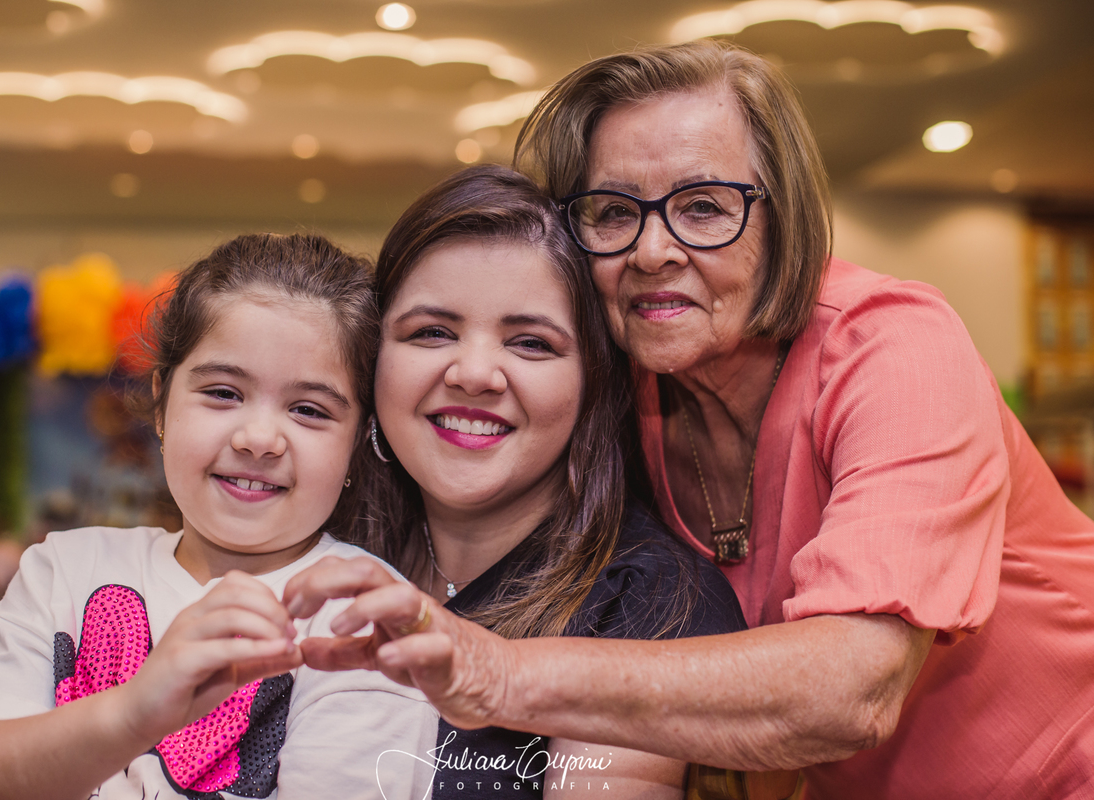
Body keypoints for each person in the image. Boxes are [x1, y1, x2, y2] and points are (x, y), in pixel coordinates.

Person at [283, 40, 1094, 799]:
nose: (651, 251)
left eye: (704, 207)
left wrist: (493, 672)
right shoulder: (631, 382)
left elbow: (856, 689)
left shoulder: (896, 348)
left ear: (783, 219)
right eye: (613, 211)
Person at [0, 233, 438, 800]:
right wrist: (131, 714)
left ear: (358, 439)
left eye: (308, 410)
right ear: (162, 402)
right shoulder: (63, 570)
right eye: (223, 392)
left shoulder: (362, 617)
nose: (258, 438)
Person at [333, 164, 746, 799]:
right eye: (432, 332)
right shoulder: (321, 550)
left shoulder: (651, 604)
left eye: (530, 343)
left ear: (593, 385)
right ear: (372, 362)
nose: (474, 374)